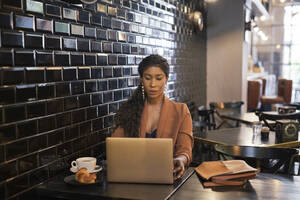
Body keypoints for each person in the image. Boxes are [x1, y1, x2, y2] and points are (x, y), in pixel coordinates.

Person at [112, 54, 193, 180]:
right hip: (132, 177)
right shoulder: (129, 109)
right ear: (141, 79)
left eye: (158, 78)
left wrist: (180, 159)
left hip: (167, 178)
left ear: (166, 79)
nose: (153, 84)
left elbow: (185, 150)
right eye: (148, 78)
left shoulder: (181, 111)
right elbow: (115, 146)